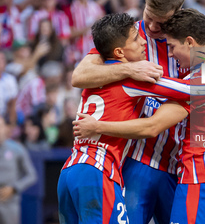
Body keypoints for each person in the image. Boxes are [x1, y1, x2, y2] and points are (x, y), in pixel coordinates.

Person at [71, 0, 205, 224]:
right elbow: (80, 76)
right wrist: (127, 70)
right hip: (140, 161)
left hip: (181, 164)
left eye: (162, 22)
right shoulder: (127, 38)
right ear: (145, 3)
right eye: (149, 15)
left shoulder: (190, 39)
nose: (153, 26)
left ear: (177, 15)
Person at [57, 13, 192, 224]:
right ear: (119, 51)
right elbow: (190, 90)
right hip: (97, 169)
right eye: (136, 38)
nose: (142, 41)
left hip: (70, 170)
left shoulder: (95, 73)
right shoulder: (134, 78)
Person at [0, 116, 37, 224]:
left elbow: (32, 175)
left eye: (0, 126)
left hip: (10, 204)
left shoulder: (17, 149)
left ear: (6, 128)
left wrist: (14, 188)